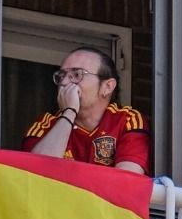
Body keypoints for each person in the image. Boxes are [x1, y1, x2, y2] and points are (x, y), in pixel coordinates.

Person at [22, 47, 151, 175]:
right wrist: (69, 112)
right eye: (62, 76)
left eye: (77, 74)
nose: (65, 82)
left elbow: (128, 182)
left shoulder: (127, 120)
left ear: (107, 87)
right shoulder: (45, 125)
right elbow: (35, 176)